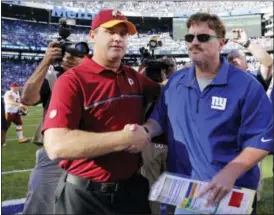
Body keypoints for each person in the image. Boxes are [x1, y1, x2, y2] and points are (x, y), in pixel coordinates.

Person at [134, 12, 273, 215]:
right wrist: (145, 130)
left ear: (221, 43)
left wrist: (230, 172)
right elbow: (159, 119)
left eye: (203, 37)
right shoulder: (176, 82)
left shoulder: (246, 86)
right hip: (184, 193)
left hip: (230, 193)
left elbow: (262, 138)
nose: (194, 42)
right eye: (190, 37)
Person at [42, 9, 161, 214]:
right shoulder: (72, 80)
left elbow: (170, 95)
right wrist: (124, 139)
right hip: (85, 196)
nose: (117, 38)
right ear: (93, 35)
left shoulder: (133, 77)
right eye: (110, 31)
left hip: (131, 191)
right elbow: (56, 145)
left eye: (123, 34)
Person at [20, 41, 84, 214]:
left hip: (87, 154)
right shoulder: (53, 77)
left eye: (78, 56)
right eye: (67, 55)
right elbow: (27, 98)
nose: (71, 59)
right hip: (54, 154)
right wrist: (45, 61)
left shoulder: (92, 78)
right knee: (39, 205)